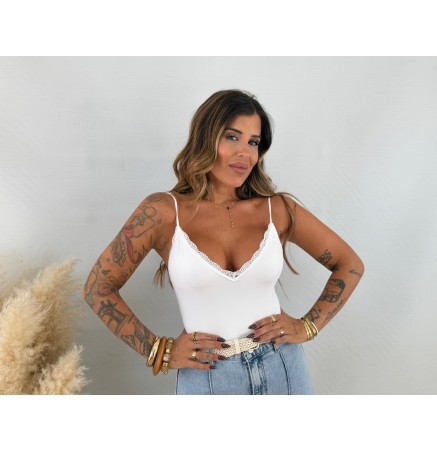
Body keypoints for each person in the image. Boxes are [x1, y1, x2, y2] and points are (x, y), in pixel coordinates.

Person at [83, 89, 365, 395]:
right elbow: (98, 288)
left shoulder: (278, 210)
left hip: (283, 367)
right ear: (206, 138)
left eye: (253, 142)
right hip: (208, 376)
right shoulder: (162, 212)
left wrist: (307, 326)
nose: (245, 153)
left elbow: (349, 265)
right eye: (232, 137)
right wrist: (159, 351)